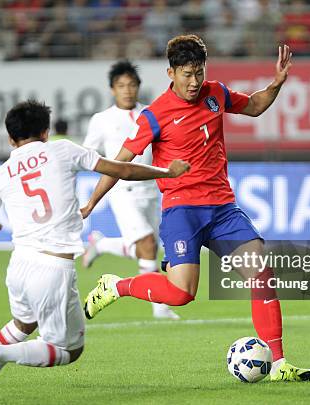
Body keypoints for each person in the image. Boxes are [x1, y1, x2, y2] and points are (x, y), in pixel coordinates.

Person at [80, 34, 310, 382]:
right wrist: (90, 203)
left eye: (199, 72)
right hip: (181, 210)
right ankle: (117, 286)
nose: (194, 82)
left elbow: (253, 105)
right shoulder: (154, 115)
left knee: (262, 275)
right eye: (187, 74)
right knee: (180, 294)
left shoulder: (215, 93)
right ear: (171, 73)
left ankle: (279, 364)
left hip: (222, 208)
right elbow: (120, 164)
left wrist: (276, 84)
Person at [0, 99, 189, 401]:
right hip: (52, 268)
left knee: (23, 324)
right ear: (45, 132)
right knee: (70, 350)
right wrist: (167, 172)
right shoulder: (63, 149)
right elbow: (121, 169)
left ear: (11, 139)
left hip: (18, 266)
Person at [82, 60, 179, 320]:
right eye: (121, 86)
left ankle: (100, 245)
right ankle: (160, 307)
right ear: (112, 89)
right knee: (147, 244)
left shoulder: (151, 113)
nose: (127, 90)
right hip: (122, 190)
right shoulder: (101, 120)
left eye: (132, 85)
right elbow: (88, 154)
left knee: (147, 247)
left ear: (138, 87)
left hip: (151, 189)